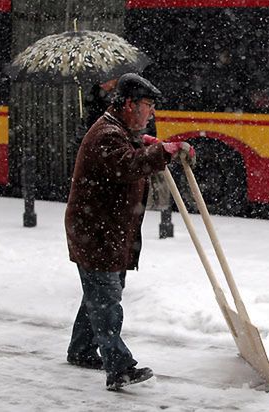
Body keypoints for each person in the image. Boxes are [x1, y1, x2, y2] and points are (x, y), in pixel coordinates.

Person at [64, 73, 194, 391]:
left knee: (100, 295)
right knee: (106, 301)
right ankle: (119, 368)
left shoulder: (117, 129)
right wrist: (162, 151)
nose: (150, 113)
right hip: (96, 232)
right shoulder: (107, 134)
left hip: (108, 231)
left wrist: (153, 144)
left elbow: (131, 150)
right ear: (128, 104)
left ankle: (81, 350)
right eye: (147, 106)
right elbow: (126, 164)